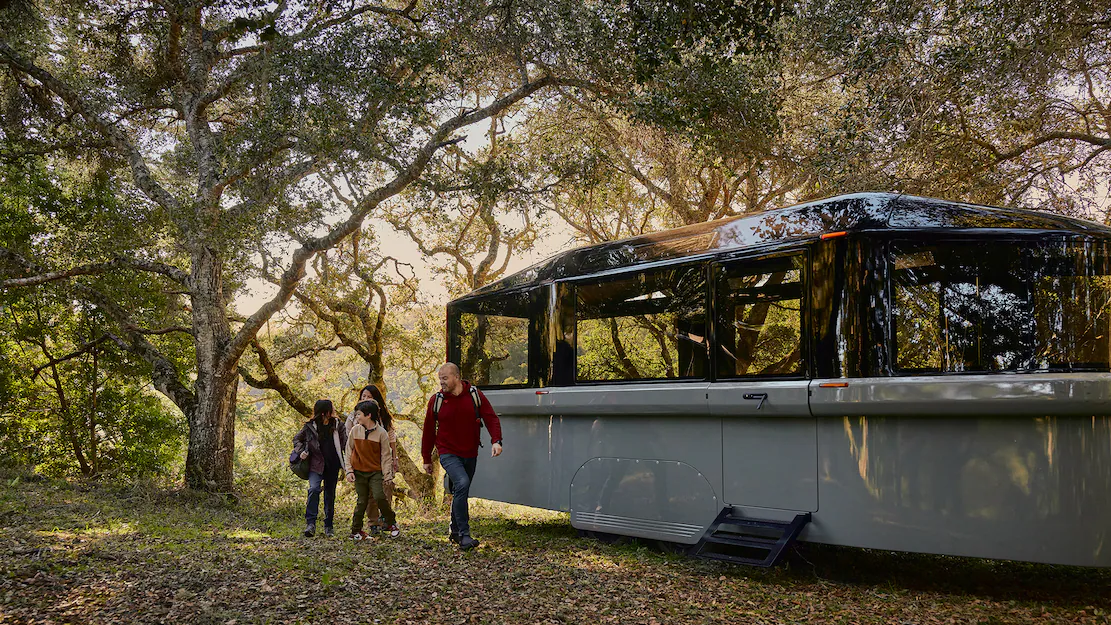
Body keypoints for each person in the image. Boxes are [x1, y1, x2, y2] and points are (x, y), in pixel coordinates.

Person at [421, 362, 503, 550]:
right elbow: (428, 431)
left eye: (445, 378)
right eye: (440, 378)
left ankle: (454, 531)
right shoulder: (437, 400)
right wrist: (426, 458)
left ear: (456, 377)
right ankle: (464, 535)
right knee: (462, 483)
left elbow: (490, 417)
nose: (441, 382)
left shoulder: (474, 395)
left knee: (461, 489)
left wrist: (496, 440)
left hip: (470, 452)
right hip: (447, 452)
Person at [345, 384, 400, 532]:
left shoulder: (383, 420)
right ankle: (372, 523)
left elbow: (391, 442)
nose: (365, 399)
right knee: (366, 497)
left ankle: (387, 522)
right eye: (363, 396)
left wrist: (394, 460)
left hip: (379, 463)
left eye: (369, 397)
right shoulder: (356, 418)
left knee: (382, 493)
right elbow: (349, 444)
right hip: (361, 464)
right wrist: (349, 468)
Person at [293, 399, 347, 538]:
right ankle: (310, 524)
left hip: (333, 465)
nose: (331, 413)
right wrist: (301, 451)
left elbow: (346, 443)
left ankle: (328, 526)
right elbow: (297, 439)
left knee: (330, 495)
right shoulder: (310, 426)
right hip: (315, 465)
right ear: (324, 412)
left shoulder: (338, 425)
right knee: (314, 489)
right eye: (330, 410)